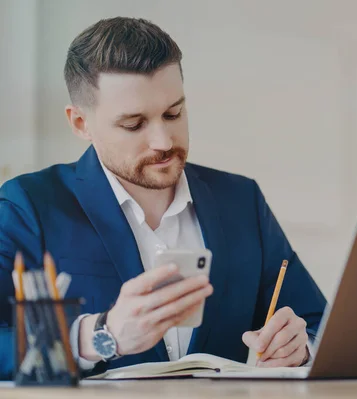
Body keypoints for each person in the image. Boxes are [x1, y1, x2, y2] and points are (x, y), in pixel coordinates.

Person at [0, 17, 326, 379]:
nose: (164, 141)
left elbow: (318, 323)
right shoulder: (28, 205)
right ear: (80, 123)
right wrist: (100, 337)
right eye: (133, 124)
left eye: (174, 114)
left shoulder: (241, 200)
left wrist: (302, 346)